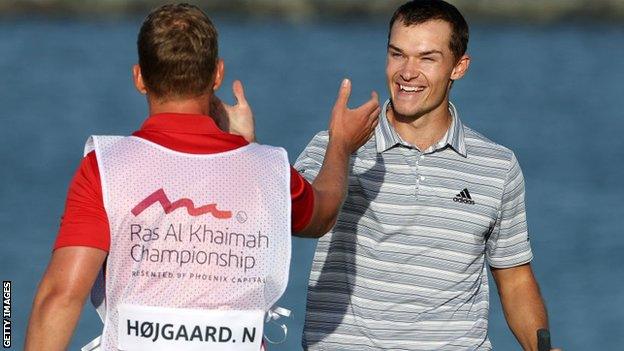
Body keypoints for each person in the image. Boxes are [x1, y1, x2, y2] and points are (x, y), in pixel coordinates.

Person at [25, 3, 380, 351]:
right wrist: (341, 144)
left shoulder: (104, 167)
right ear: (217, 74)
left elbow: (60, 297)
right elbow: (323, 212)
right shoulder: (266, 171)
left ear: (140, 78)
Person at [295, 1, 558, 350]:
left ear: (458, 67)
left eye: (427, 58)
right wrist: (338, 150)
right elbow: (294, 221)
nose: (407, 72)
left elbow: (514, 279)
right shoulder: (335, 147)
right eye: (397, 54)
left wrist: (541, 347)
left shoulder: (498, 165)